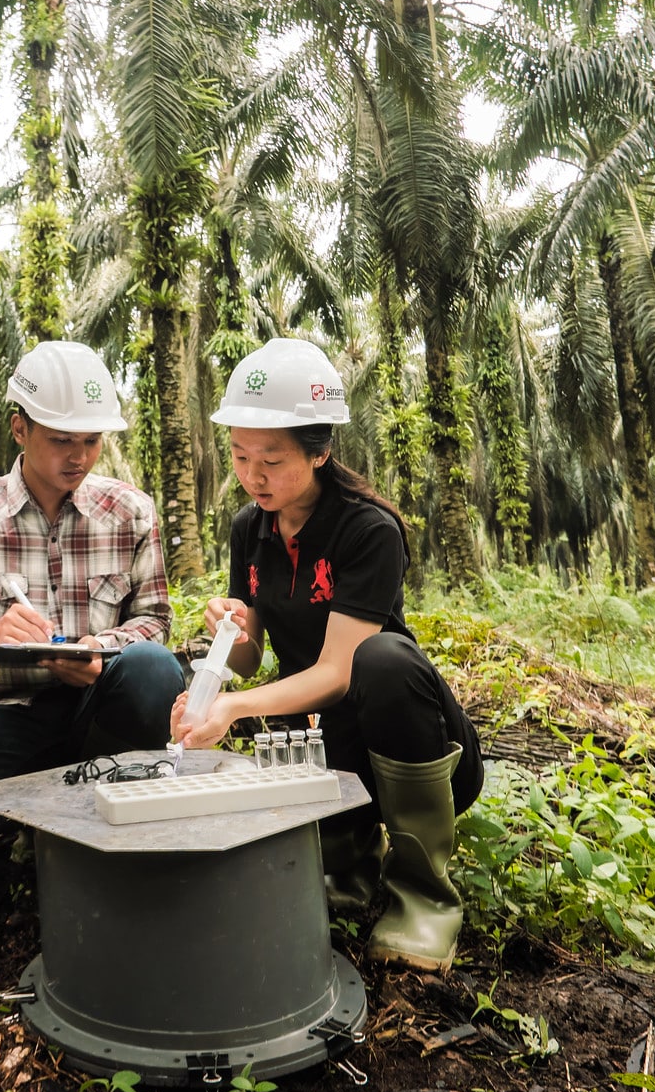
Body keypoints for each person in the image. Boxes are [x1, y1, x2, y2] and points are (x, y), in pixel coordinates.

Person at [172, 338, 483, 972]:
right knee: (290, 694)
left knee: (383, 660)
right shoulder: (248, 528)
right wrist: (232, 632)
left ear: (320, 451)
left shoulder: (367, 529)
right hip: (327, 746)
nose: (253, 475)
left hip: (407, 745)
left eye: (273, 460)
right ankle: (346, 862)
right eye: (238, 455)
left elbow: (340, 671)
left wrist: (232, 711)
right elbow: (254, 663)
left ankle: (424, 896)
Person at [0, 341, 182, 846]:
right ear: (20, 428)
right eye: (61, 440)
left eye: (92, 440)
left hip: (105, 705)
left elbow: (156, 620)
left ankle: (97, 808)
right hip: (12, 712)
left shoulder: (130, 512)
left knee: (151, 667)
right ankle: (53, 817)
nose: (79, 457)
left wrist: (99, 651)